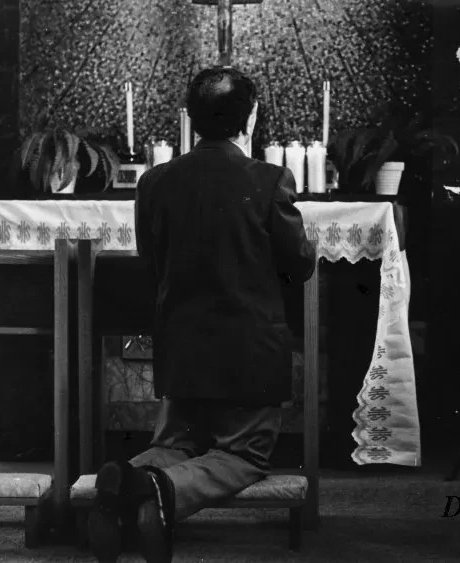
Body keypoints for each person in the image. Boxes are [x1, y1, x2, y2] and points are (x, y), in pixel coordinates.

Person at [87, 67, 317, 563]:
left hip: (182, 353)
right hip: (249, 358)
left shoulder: (154, 181)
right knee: (243, 455)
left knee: (176, 443)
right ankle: (158, 491)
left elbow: (151, 261)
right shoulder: (270, 179)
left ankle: (125, 480)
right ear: (250, 118)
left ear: (190, 119)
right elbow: (299, 265)